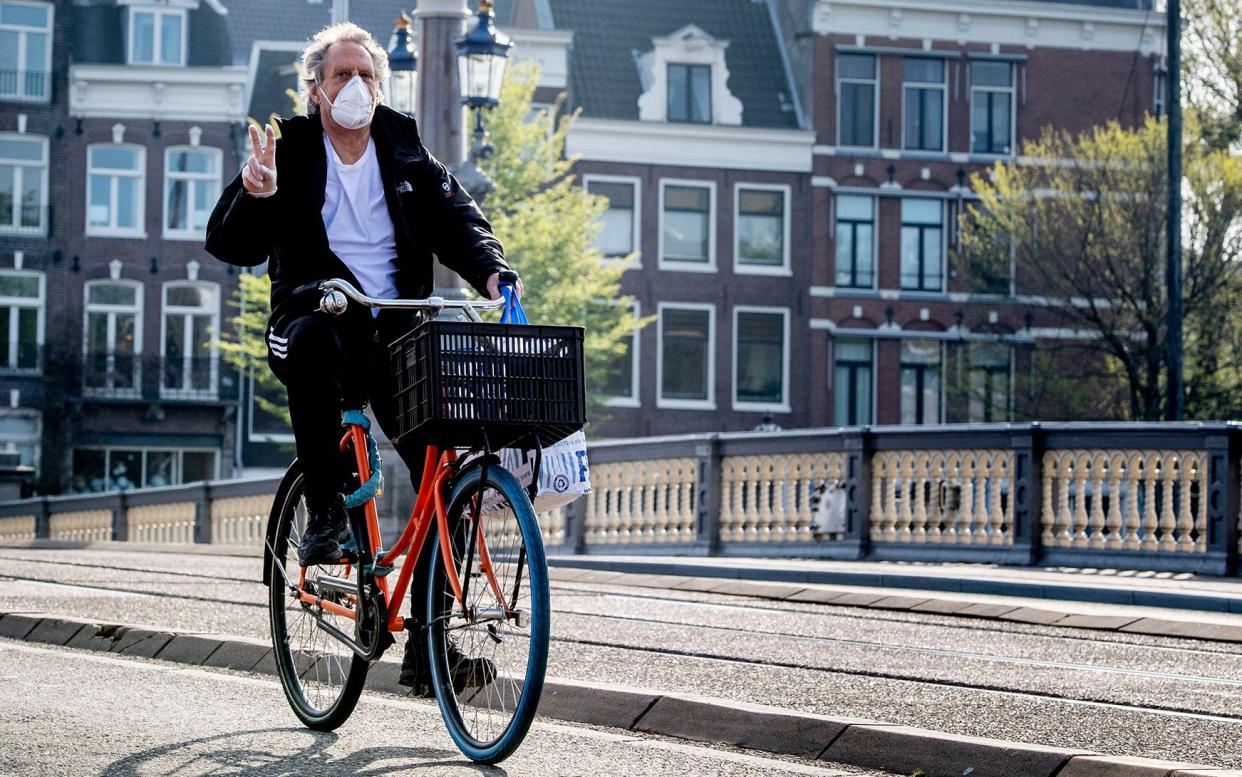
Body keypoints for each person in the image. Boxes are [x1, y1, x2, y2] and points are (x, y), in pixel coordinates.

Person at [205, 22, 512, 693]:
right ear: (315, 88)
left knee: (448, 478)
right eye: (341, 75)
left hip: (393, 335)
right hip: (315, 320)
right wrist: (255, 199)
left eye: (367, 75)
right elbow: (228, 244)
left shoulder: (404, 148)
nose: (356, 86)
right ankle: (324, 514)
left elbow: (459, 219)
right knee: (313, 342)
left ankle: (429, 651)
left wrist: (494, 274)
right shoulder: (287, 150)